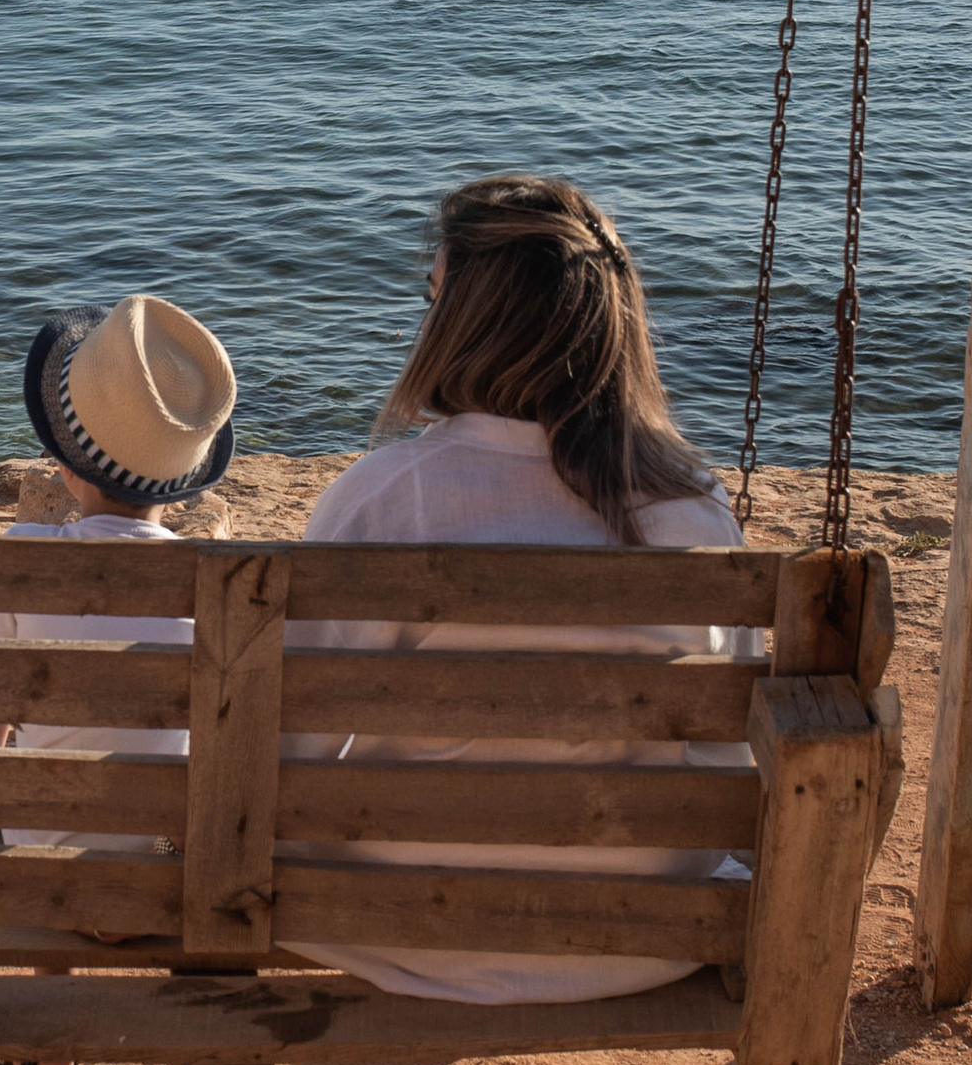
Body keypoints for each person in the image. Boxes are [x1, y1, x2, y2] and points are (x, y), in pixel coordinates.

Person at [276, 172, 759, 1006]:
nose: (422, 322)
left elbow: (290, 749)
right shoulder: (692, 511)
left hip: (407, 924)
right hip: (642, 928)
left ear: (470, 323)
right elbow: (729, 758)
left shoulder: (384, 499)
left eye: (434, 300)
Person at [0, 293, 260, 1065]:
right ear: (184, 479)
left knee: (41, 812)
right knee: (203, 815)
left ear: (65, 464)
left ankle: (47, 1055)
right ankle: (200, 1061)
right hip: (171, 872)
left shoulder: (22, 564)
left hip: (55, 876)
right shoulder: (215, 587)